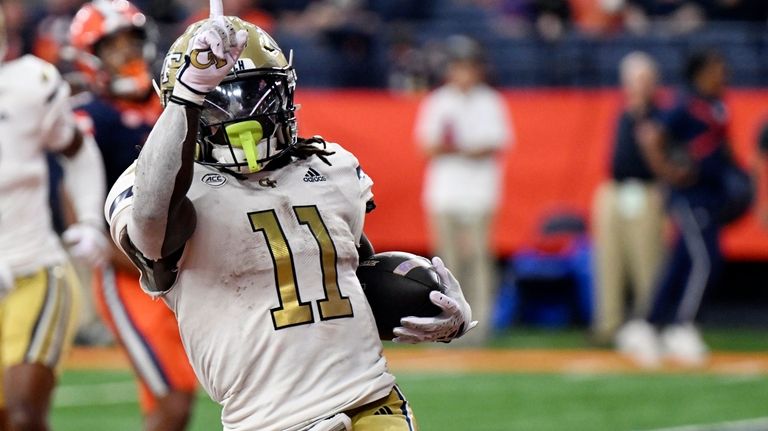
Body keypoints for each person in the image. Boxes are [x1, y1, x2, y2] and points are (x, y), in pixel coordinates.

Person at [105, 5, 475, 430]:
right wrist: (190, 94)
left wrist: (433, 311)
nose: (242, 114)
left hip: (370, 400)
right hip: (267, 421)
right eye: (219, 99)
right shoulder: (156, 185)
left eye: (255, 92)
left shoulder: (331, 165)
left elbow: (346, 277)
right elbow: (152, 229)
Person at [68, 1, 198, 429]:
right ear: (92, 57)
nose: (126, 53)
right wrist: (109, 249)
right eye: (113, 46)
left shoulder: (169, 103)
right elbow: (75, 184)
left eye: (131, 41)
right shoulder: (93, 116)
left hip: (180, 266)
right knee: (173, 397)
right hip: (129, 274)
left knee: (177, 400)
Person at [0, 9, 109, 430]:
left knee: (25, 415)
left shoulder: (30, 85)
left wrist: (88, 220)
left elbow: (77, 148)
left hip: (35, 270)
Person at [620, 50, 733, 367]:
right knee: (705, 259)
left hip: (711, 195)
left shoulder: (717, 106)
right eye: (717, 68)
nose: (723, 75)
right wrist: (668, 172)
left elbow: (720, 149)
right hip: (690, 197)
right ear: (700, 72)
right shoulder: (686, 104)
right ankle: (682, 325)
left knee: (680, 262)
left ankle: (646, 324)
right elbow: (650, 135)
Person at [414, 35, 511, 345]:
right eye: (459, 67)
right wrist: (464, 148)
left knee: (479, 261)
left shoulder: (490, 101)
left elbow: (495, 144)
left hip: (480, 193)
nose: (463, 74)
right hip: (445, 194)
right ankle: (448, 326)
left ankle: (480, 327)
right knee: (446, 266)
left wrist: (457, 148)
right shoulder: (439, 101)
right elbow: (428, 146)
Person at [592, 52, 665, 345]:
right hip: (615, 190)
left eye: (643, 79)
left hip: (646, 191)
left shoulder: (660, 116)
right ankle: (608, 324)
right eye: (633, 79)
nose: (637, 85)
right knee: (609, 261)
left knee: (647, 260)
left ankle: (650, 321)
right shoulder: (623, 114)